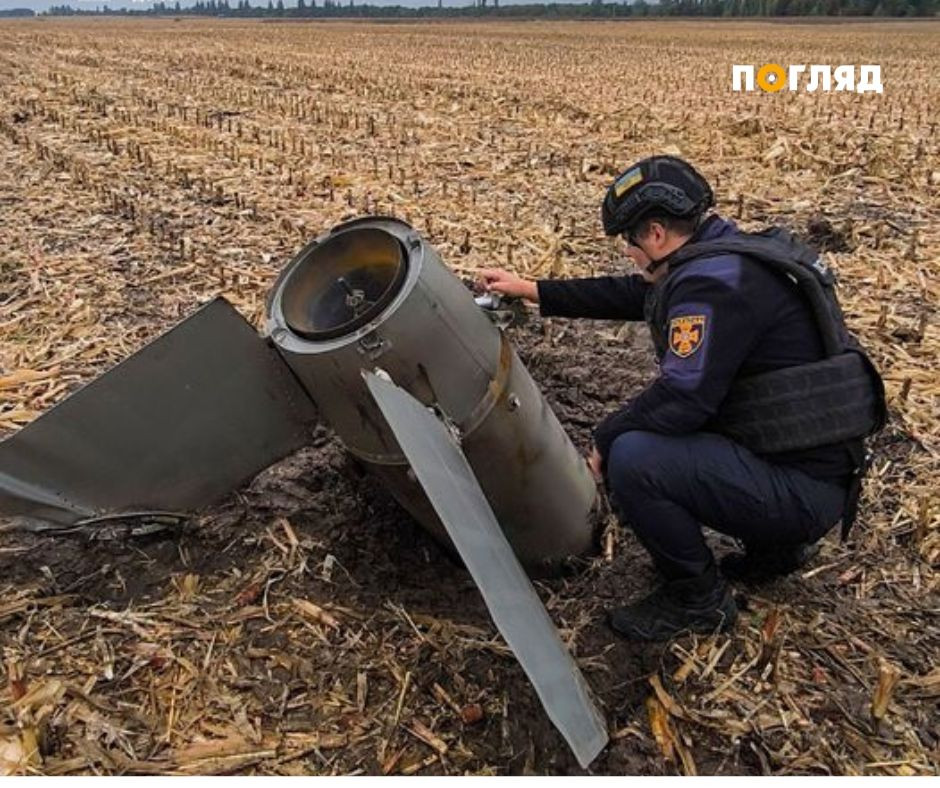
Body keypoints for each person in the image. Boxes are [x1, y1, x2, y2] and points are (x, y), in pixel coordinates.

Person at [478, 155, 885, 641]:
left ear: (654, 233)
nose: (627, 252)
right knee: (669, 430)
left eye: (628, 240)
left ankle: (699, 599)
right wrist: (532, 290)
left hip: (802, 492)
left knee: (636, 458)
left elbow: (682, 400)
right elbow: (636, 295)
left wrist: (604, 440)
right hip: (817, 470)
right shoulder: (726, 257)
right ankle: (777, 547)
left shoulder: (709, 284)